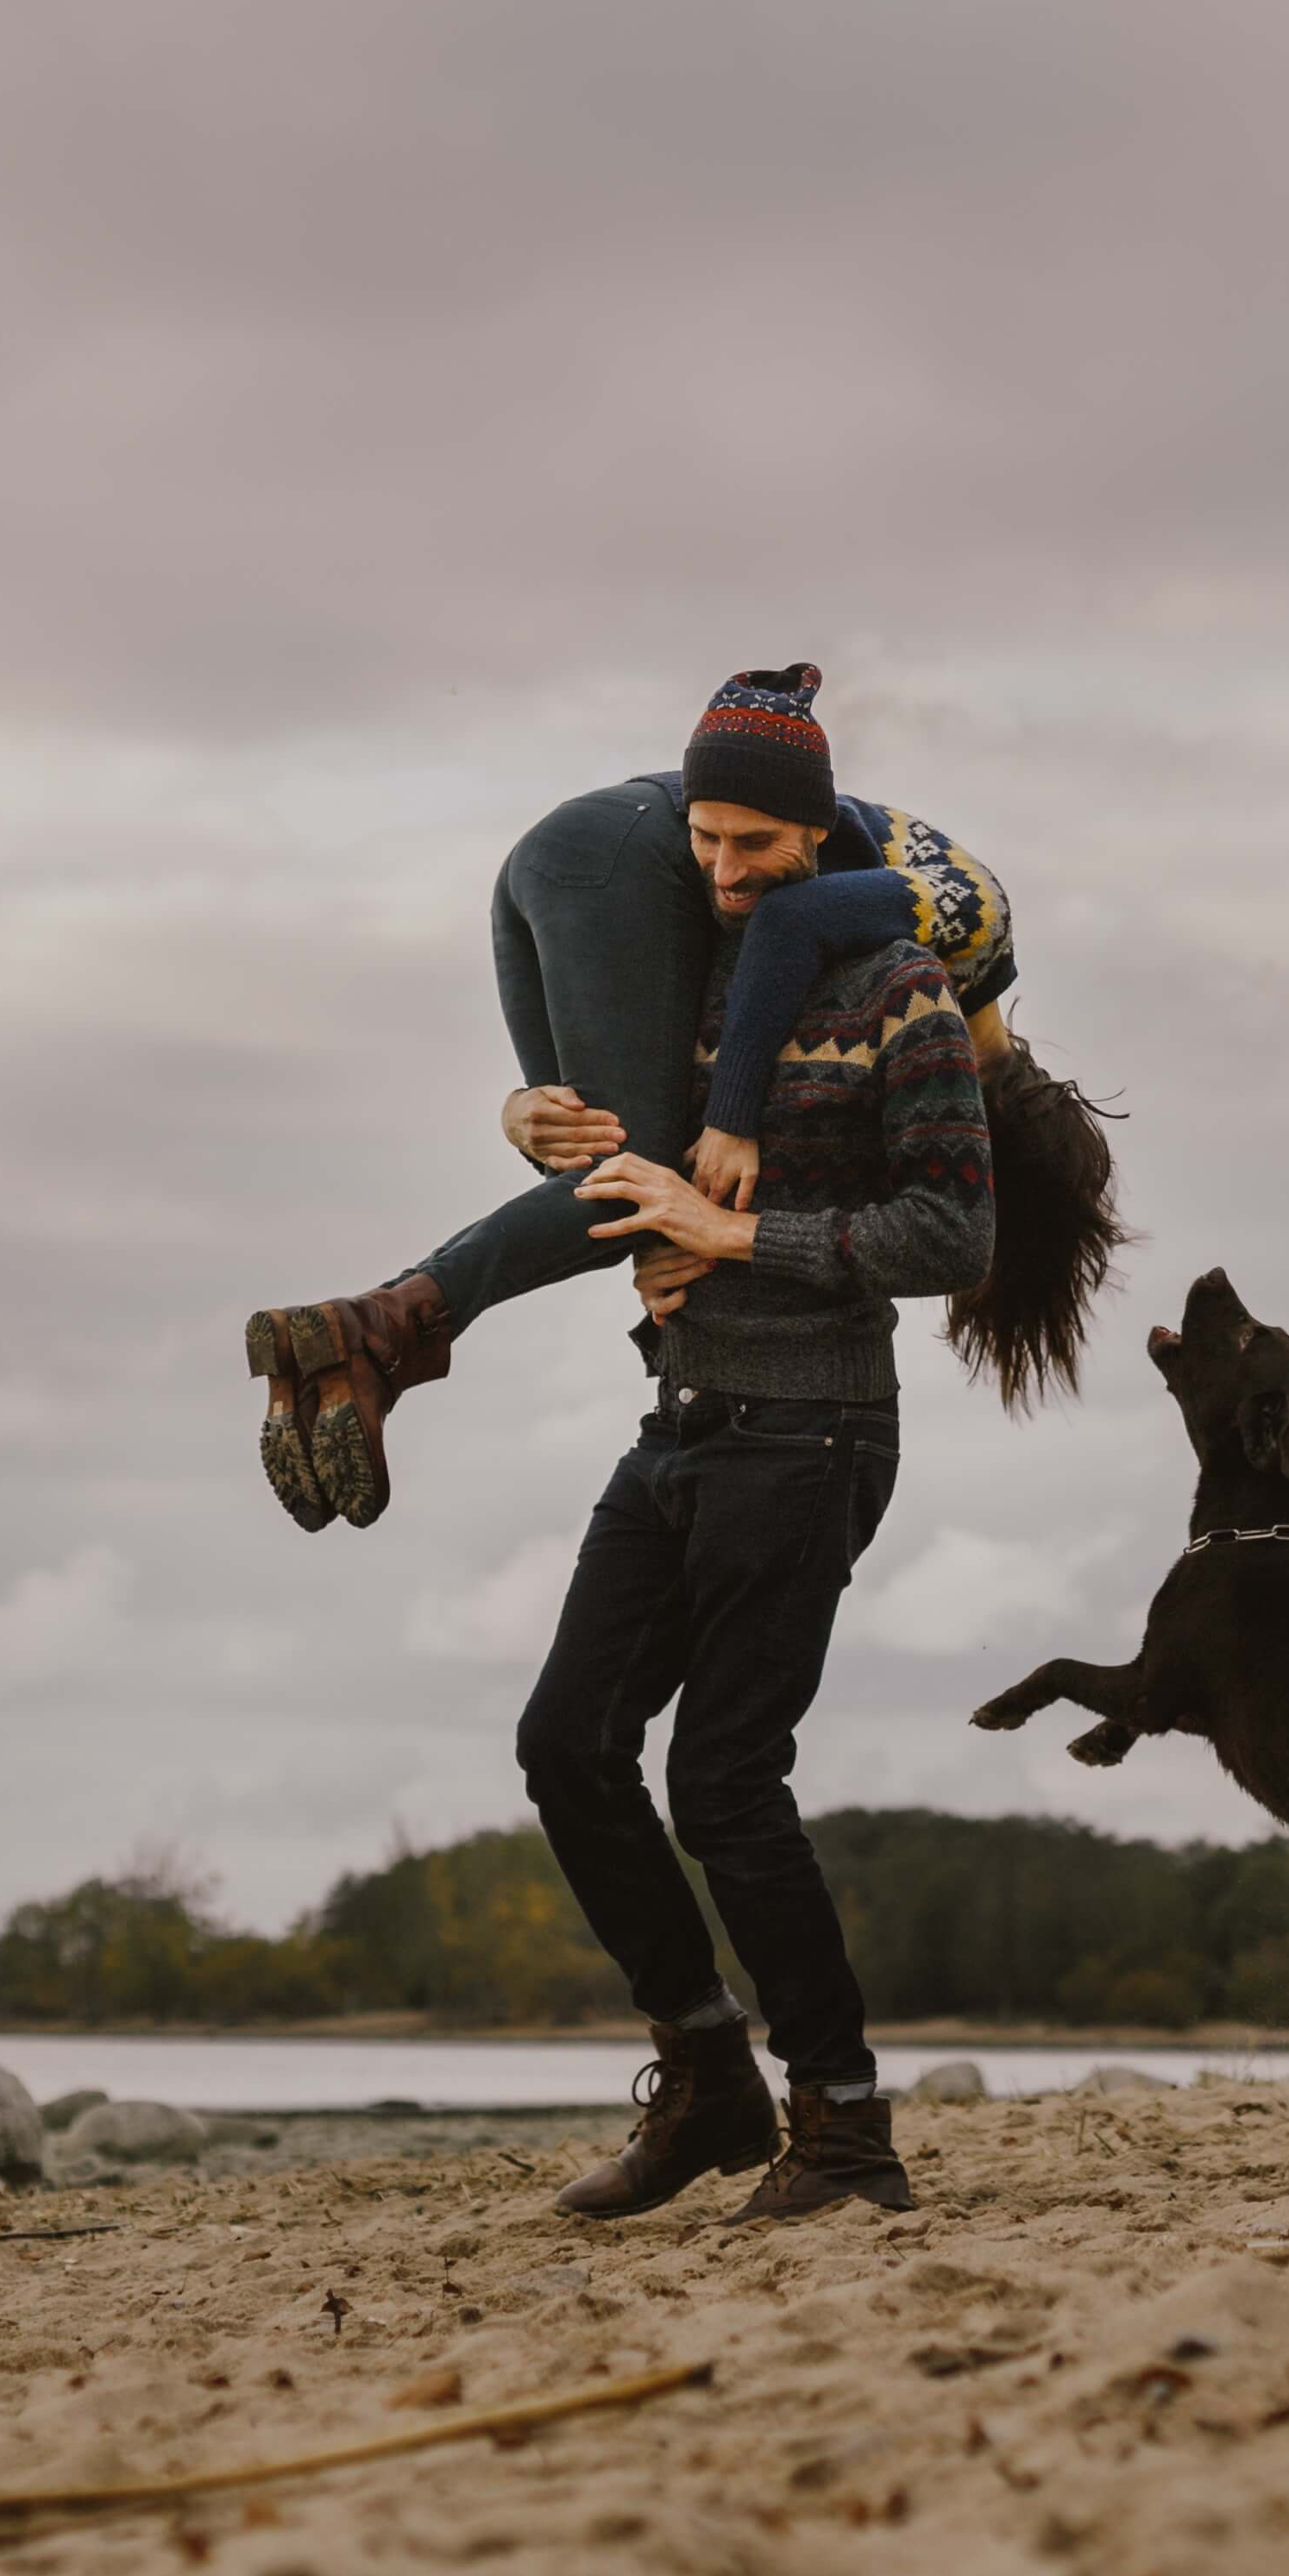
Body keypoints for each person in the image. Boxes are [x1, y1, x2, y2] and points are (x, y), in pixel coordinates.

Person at [247, 667, 1117, 1536]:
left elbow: (657, 1080)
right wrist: (730, 1123)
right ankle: (381, 1329)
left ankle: (348, 1347)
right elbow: (788, 924)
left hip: (559, 858)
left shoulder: (819, 928)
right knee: (638, 1166)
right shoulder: (969, 916)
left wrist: (529, 1120)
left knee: (603, 1160)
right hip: (621, 861)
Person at [516, 724, 994, 2221]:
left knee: (721, 1783)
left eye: (754, 847)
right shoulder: (701, 975)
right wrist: (533, 1121)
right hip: (680, 1419)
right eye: (704, 841)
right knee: (567, 1746)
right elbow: (631, 1158)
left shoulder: (897, 991)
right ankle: (709, 2077)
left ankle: (846, 2131)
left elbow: (952, 1235)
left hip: (817, 1428)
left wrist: (733, 1235)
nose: (723, 872)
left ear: (817, 837)